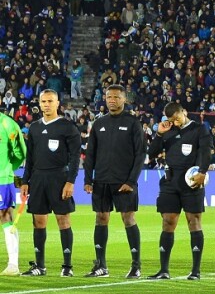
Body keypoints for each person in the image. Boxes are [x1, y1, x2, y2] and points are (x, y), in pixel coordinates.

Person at [83, 85, 146, 278]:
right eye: (109, 97)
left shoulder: (133, 123)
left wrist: (132, 181)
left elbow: (140, 154)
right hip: (101, 180)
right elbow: (90, 154)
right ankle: (100, 265)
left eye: (116, 97)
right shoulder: (99, 123)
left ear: (124, 99)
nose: (112, 100)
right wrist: (88, 179)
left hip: (123, 182)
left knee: (128, 219)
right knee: (101, 218)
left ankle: (136, 266)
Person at [18, 90, 82, 276]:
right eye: (43, 101)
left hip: (59, 178)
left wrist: (70, 181)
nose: (46, 104)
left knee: (63, 219)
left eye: (50, 101)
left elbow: (75, 157)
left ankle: (67, 267)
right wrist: (25, 181)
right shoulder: (35, 127)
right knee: (38, 221)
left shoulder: (67, 127)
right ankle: (39, 266)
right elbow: (30, 158)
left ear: (57, 103)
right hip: (37, 178)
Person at [148, 102, 212, 280]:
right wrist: (159, 134)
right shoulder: (167, 131)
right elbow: (152, 153)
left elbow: (206, 151)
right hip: (170, 181)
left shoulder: (200, 129)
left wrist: (202, 172)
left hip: (192, 181)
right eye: (171, 120)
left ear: (183, 112)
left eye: (176, 119)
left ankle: (195, 271)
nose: (174, 123)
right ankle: (164, 270)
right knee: (168, 221)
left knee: (194, 221)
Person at [0, 108, 27, 274]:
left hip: (1, 179)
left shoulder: (7, 124)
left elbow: (20, 153)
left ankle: (13, 264)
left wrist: (8, 170)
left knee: (5, 216)